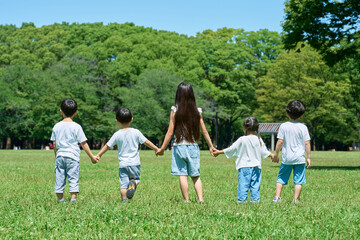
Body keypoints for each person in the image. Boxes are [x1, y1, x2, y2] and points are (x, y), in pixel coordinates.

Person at [156, 82, 215, 203]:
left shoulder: (175, 110)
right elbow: (204, 131)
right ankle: (200, 199)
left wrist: (162, 148)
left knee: (182, 175)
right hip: (193, 147)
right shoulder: (197, 111)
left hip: (179, 147)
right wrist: (211, 146)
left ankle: (186, 200)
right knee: (195, 176)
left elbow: (170, 132)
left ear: (178, 95)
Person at [96, 108, 159, 202]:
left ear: (117, 121)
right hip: (134, 163)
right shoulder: (136, 132)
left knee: (123, 185)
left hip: (123, 164)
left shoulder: (117, 134)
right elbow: (146, 142)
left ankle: (124, 202)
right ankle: (135, 182)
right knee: (136, 179)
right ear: (132, 119)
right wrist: (156, 149)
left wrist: (99, 155)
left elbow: (107, 146)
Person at [212, 117, 274, 203]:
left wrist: (219, 152)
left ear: (244, 128)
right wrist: (272, 155)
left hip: (244, 166)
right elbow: (264, 151)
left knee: (243, 186)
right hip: (256, 167)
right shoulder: (258, 139)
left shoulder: (242, 139)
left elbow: (231, 149)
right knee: (255, 186)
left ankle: (242, 202)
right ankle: (255, 201)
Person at [50, 98, 98, 203]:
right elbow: (83, 143)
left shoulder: (56, 126)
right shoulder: (77, 127)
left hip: (60, 156)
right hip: (73, 157)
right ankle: (73, 200)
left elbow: (54, 143)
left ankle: (60, 199)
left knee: (59, 178)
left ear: (61, 111)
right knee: (73, 178)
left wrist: (56, 156)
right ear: (76, 112)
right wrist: (92, 157)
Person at [272, 100, 311, 203]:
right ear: (302, 115)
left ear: (287, 113)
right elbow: (307, 143)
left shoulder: (283, 126)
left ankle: (277, 197)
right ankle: (295, 199)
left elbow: (280, 142)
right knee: (298, 181)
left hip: (287, 158)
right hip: (299, 158)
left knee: (280, 178)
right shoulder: (303, 127)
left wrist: (276, 155)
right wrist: (308, 157)